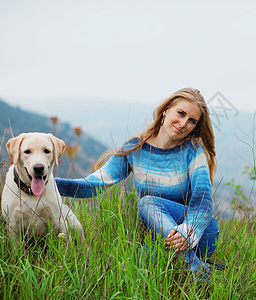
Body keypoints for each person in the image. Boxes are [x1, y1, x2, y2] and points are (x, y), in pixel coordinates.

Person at [55, 87, 219, 280]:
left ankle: (196, 270)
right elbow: (92, 185)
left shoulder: (193, 151)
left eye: (192, 121)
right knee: (139, 260)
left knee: (147, 203)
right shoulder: (136, 147)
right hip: (160, 240)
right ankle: (197, 267)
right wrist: (49, 183)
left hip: (199, 234)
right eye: (181, 113)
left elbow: (203, 202)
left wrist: (186, 232)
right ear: (166, 110)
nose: (183, 123)